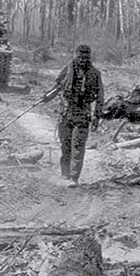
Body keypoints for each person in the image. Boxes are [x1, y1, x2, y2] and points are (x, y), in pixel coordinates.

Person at [43, 44, 103, 188]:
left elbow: (100, 97)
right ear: (76, 55)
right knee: (66, 145)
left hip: (82, 114)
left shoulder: (95, 74)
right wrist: (47, 97)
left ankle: (74, 177)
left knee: (78, 146)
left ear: (89, 57)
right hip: (66, 113)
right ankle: (65, 174)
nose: (83, 59)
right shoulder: (68, 68)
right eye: (80, 56)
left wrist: (97, 116)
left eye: (86, 56)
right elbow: (57, 85)